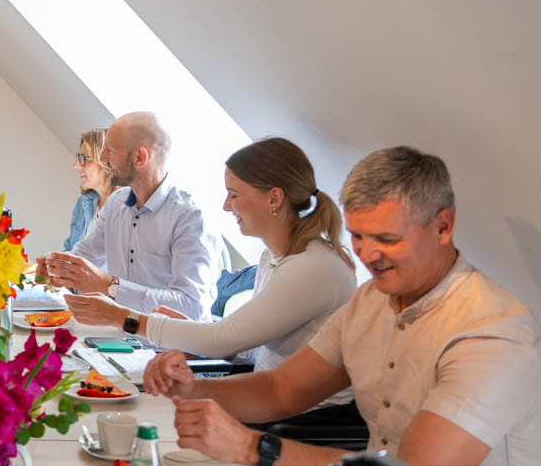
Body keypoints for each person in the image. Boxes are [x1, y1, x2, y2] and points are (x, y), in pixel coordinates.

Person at [146, 146, 541, 466]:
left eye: (388, 239)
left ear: (443, 227)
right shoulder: (372, 302)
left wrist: (251, 447)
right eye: (359, 236)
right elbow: (281, 391)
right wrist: (193, 389)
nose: (369, 255)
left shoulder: (493, 335)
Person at [65, 137, 360, 421]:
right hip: (261, 397)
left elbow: (222, 341)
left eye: (234, 195)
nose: (226, 206)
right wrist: (191, 332)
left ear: (274, 198)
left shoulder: (313, 267)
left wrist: (125, 318)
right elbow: (248, 345)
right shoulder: (274, 257)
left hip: (303, 419)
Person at [40, 111, 222, 320]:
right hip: (118, 338)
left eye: (110, 150)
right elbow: (85, 255)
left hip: (166, 347)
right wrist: (55, 267)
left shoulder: (190, 218)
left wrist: (111, 287)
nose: (103, 158)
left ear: (139, 157)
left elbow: (192, 307)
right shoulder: (116, 204)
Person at [62, 127, 114, 251]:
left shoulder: (126, 212)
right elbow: (70, 250)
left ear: (106, 162)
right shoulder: (83, 202)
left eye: (84, 158)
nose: (76, 165)